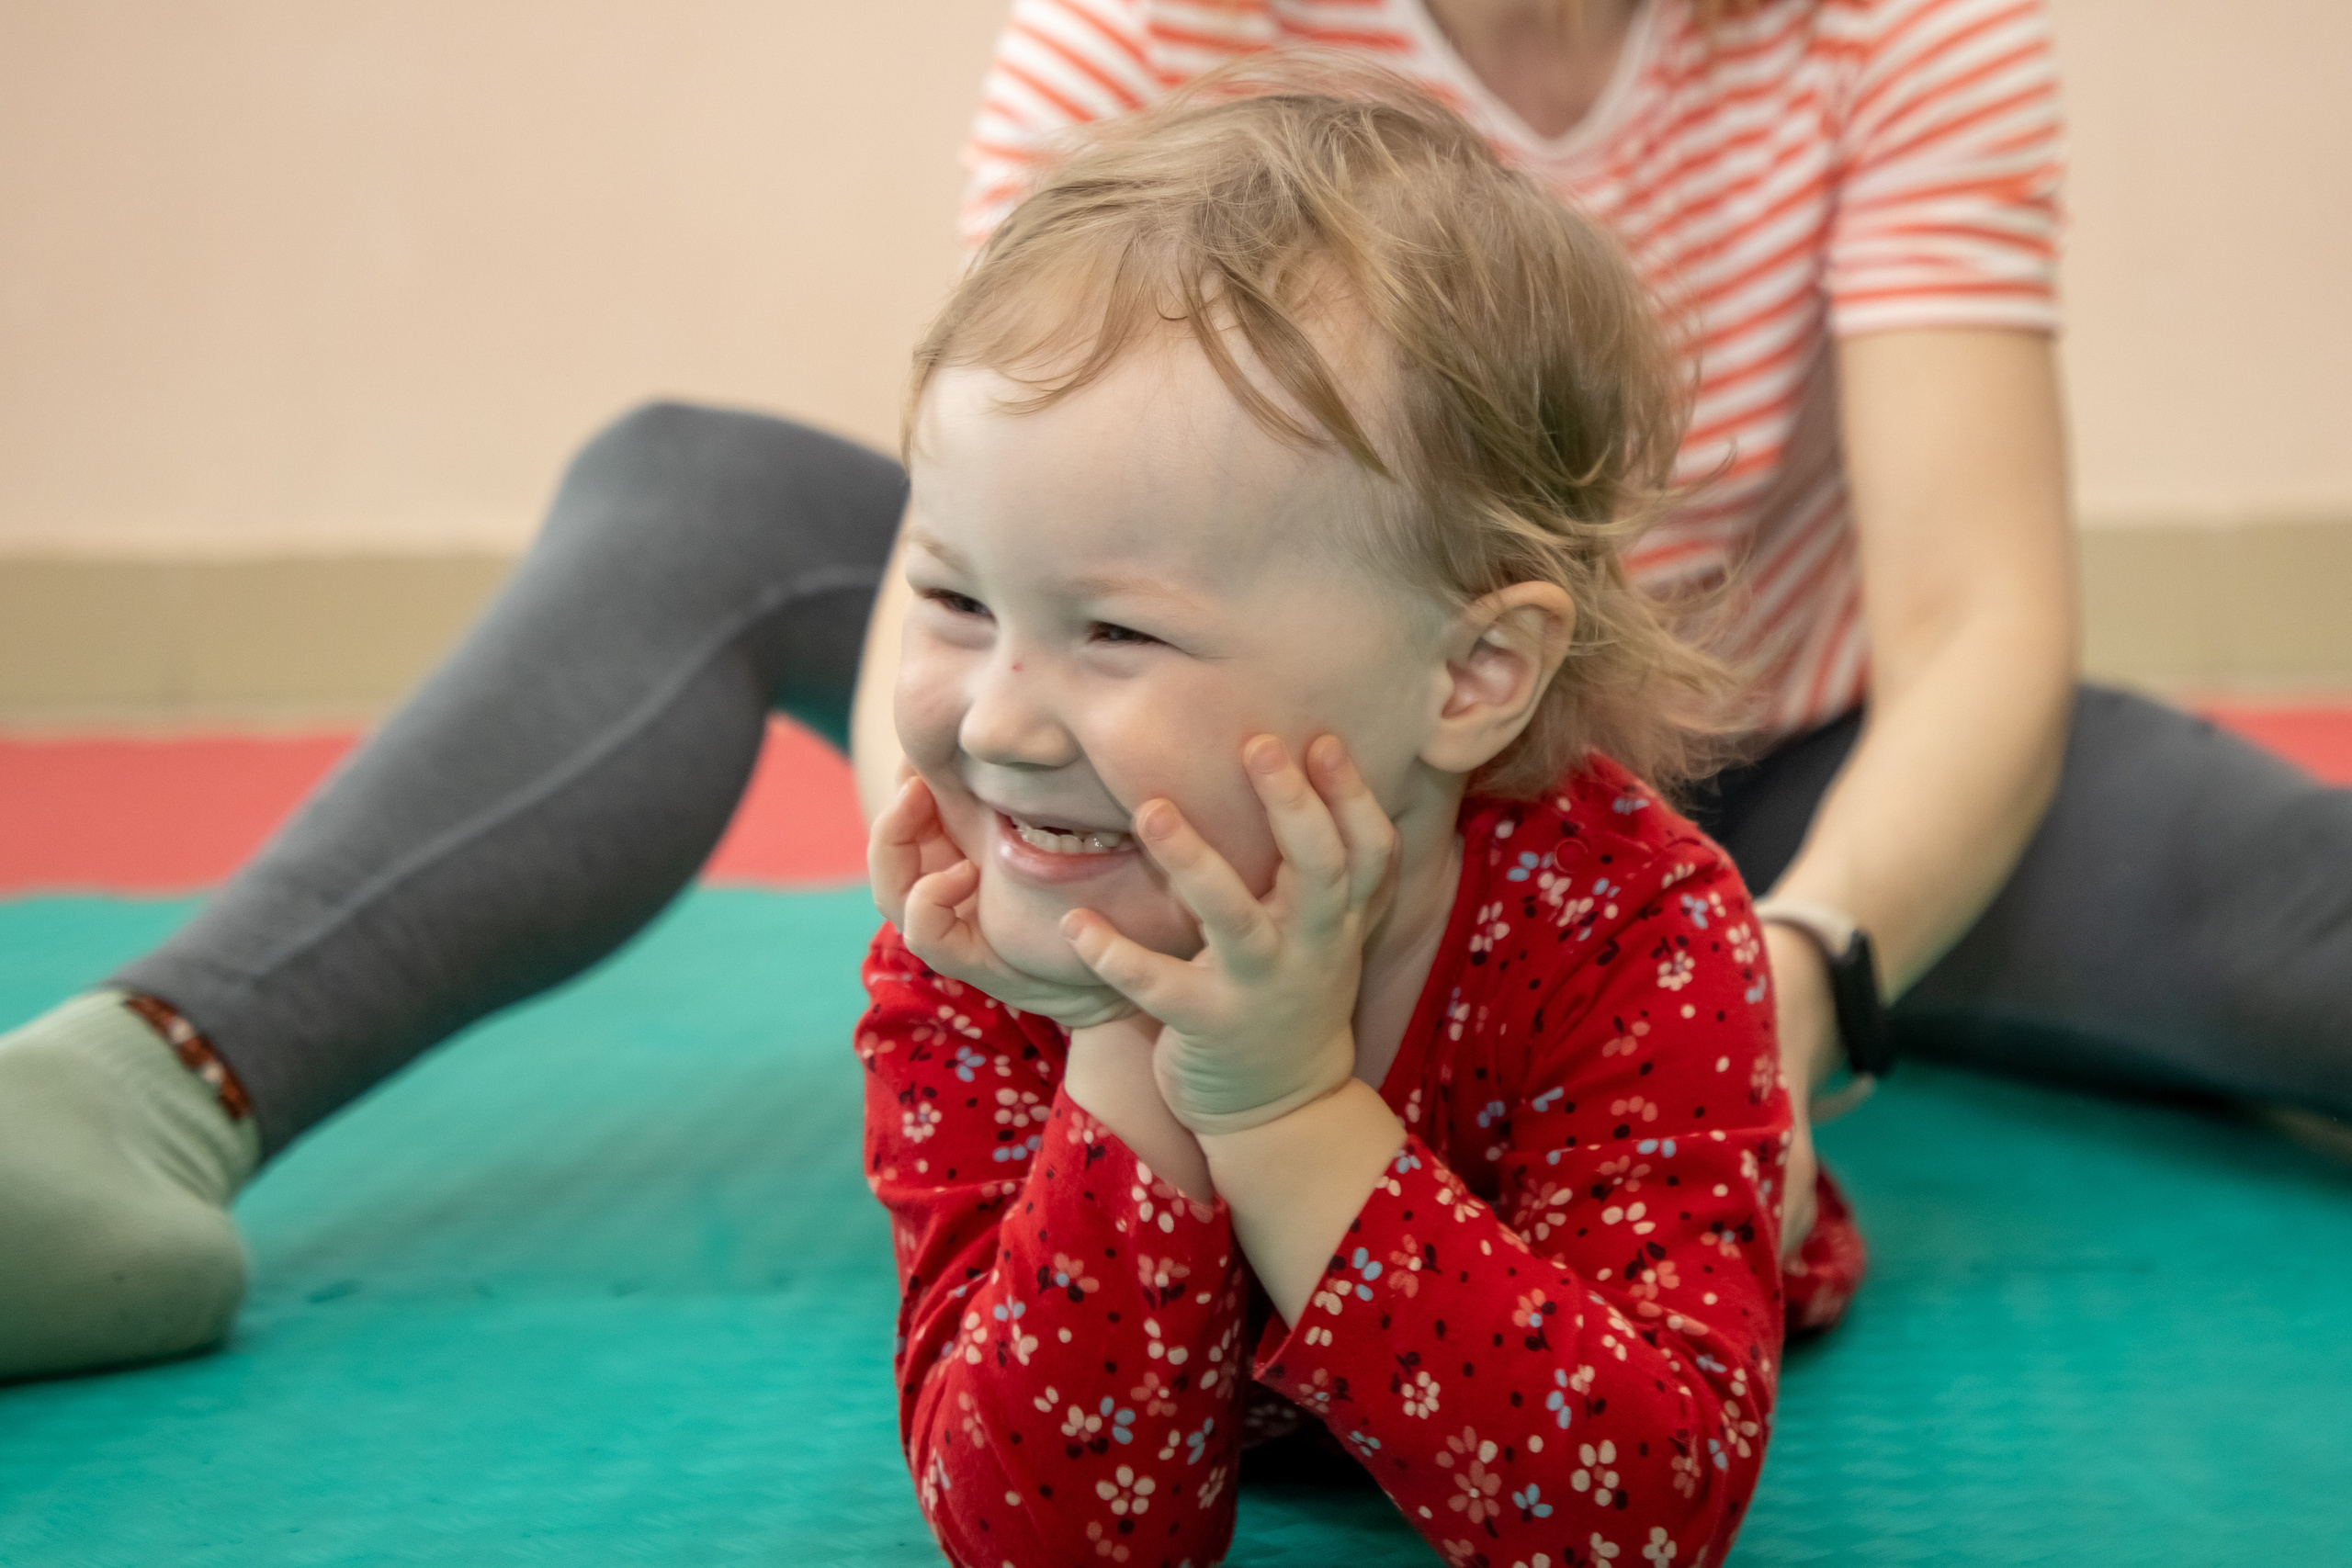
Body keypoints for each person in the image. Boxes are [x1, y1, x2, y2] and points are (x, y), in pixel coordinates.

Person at [3, 0, 2346, 1384]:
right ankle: (142, 1084)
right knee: (701, 494)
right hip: (1254, 747)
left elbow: (1966, 619)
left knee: (2289, 908)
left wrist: (1791, 979)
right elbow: (1027, 521)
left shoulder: (1898, 35)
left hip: (1771, 761)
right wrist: (1064, 958)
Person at [856, 72, 1795, 1563]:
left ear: (1472, 674)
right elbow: (1049, 1544)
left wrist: (1282, 1109)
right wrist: (1122, 1040)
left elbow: (1638, 1524)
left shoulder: (1635, 932)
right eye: (958, 600)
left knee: (1775, 1191)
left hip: (1644, 1200)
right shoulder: (976, 953)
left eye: (1116, 634)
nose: (995, 723)